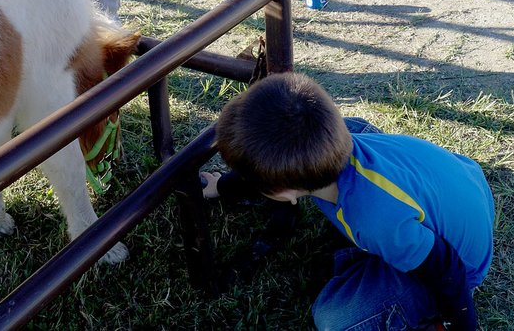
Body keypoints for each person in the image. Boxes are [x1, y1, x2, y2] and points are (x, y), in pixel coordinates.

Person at [201, 72, 494, 331]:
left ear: (285, 194)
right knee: (361, 131)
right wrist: (222, 187)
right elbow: (257, 174)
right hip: (463, 184)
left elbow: (446, 269)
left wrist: (457, 323)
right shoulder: (335, 134)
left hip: (461, 262)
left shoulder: (374, 218)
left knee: (337, 319)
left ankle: (374, 275)